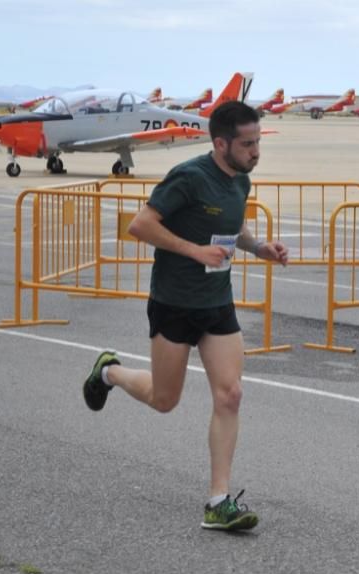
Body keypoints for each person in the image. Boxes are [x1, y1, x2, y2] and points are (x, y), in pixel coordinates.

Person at [81, 101, 288, 531]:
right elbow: (141, 225)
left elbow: (234, 226)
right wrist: (193, 251)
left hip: (216, 302)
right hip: (174, 302)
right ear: (220, 143)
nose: (255, 152)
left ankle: (218, 501)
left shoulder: (241, 179)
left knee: (230, 394)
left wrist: (259, 247)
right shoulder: (189, 177)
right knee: (164, 399)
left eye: (256, 142)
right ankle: (110, 371)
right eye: (247, 144)